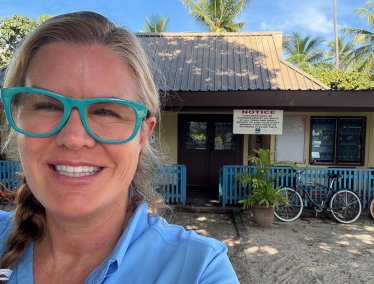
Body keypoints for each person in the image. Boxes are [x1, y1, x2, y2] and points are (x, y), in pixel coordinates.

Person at [0, 11, 239, 284]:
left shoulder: (199, 270)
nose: (74, 138)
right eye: (47, 106)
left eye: (106, 112)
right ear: (14, 119)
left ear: (143, 134)